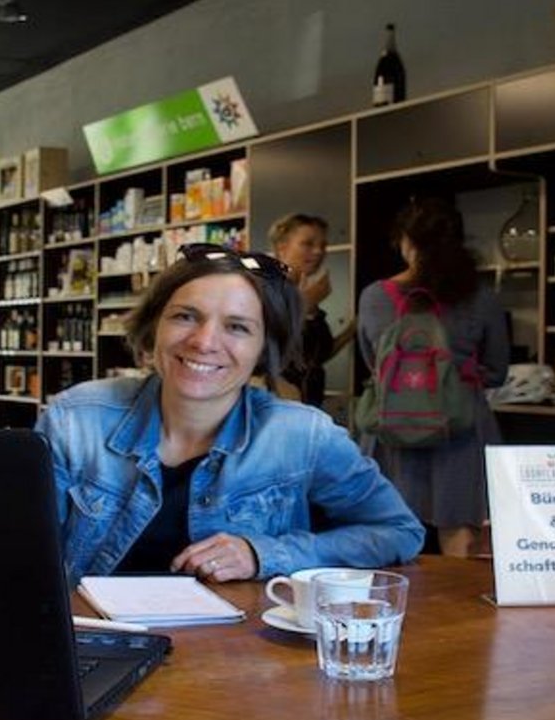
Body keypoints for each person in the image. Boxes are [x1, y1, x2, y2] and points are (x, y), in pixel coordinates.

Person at [34, 243, 424, 583]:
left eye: (237, 327)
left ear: (265, 348)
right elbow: (22, 552)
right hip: (95, 639)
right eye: (185, 316)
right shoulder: (75, 420)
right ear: (154, 327)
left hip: (244, 645)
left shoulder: (304, 435)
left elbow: (399, 530)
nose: (204, 342)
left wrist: (263, 554)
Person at [357, 198, 509, 557]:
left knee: (389, 534)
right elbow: (497, 370)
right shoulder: (481, 297)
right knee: (462, 533)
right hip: (460, 428)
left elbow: (374, 364)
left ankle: (394, 594)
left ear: (406, 241)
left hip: (393, 425)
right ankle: (460, 597)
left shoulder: (376, 296)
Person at [268, 213, 356, 407]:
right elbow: (269, 353)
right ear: (282, 248)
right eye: (307, 244)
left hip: (309, 408)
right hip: (276, 408)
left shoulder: (306, 292)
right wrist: (304, 307)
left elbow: (317, 356)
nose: (318, 252)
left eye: (323, 246)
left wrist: (351, 330)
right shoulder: (266, 291)